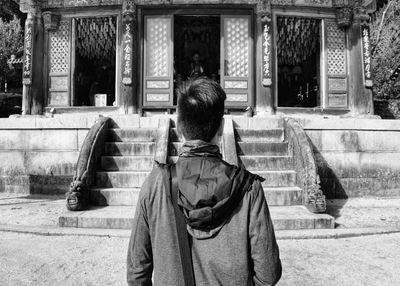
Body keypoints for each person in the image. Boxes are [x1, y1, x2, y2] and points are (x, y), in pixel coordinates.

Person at [127, 77, 282, 286]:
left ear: (179, 128)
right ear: (221, 127)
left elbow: (137, 273)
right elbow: (268, 274)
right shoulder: (249, 189)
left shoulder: (154, 185)